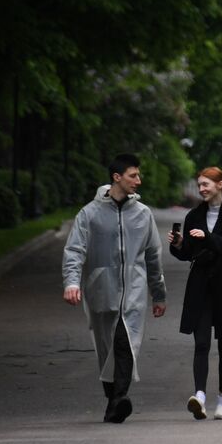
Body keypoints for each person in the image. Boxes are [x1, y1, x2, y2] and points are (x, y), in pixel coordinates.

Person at [62, 153, 167, 423]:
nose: (138, 181)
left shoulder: (143, 215)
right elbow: (75, 250)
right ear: (116, 177)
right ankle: (113, 401)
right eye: (133, 175)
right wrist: (72, 282)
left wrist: (158, 293)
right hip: (101, 290)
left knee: (126, 343)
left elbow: (154, 256)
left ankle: (120, 398)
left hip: (133, 293)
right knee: (106, 349)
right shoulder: (90, 213)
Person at [169, 166, 222, 420]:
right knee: (202, 342)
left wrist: (206, 238)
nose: (201, 189)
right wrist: (179, 244)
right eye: (199, 185)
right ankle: (200, 397)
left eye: (206, 184)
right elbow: (188, 255)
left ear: (220, 184)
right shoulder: (194, 215)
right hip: (202, 285)